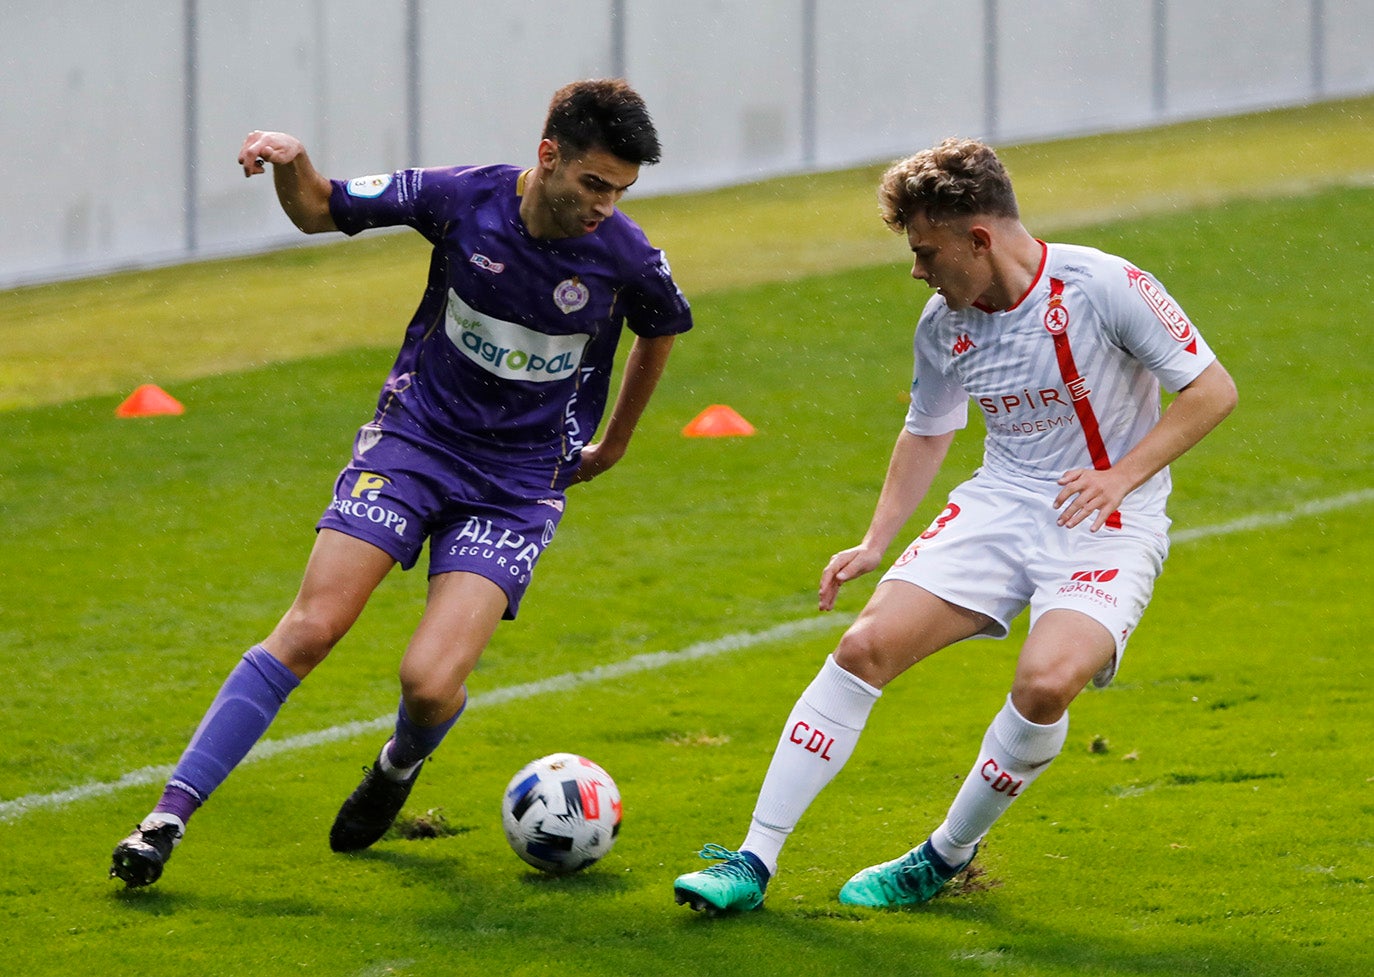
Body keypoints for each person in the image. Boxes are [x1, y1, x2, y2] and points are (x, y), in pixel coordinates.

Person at [110, 79, 692, 888]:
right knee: (311, 627)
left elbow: (662, 326)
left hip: (516, 485)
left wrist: (615, 442)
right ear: (547, 156)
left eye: (621, 191)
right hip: (414, 441)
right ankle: (165, 818)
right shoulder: (462, 198)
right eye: (594, 184)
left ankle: (397, 764)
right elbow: (318, 209)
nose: (605, 205)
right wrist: (294, 161)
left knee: (427, 684)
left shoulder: (626, 255)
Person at [673, 137, 1236, 913]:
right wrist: (876, 540)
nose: (917, 270)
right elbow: (928, 429)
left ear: (979, 239)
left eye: (925, 251)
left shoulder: (1106, 285)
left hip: (1111, 518)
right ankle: (750, 860)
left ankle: (942, 855)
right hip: (1001, 504)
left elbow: (1212, 390)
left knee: (1045, 684)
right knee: (863, 644)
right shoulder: (943, 324)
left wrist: (1118, 476)